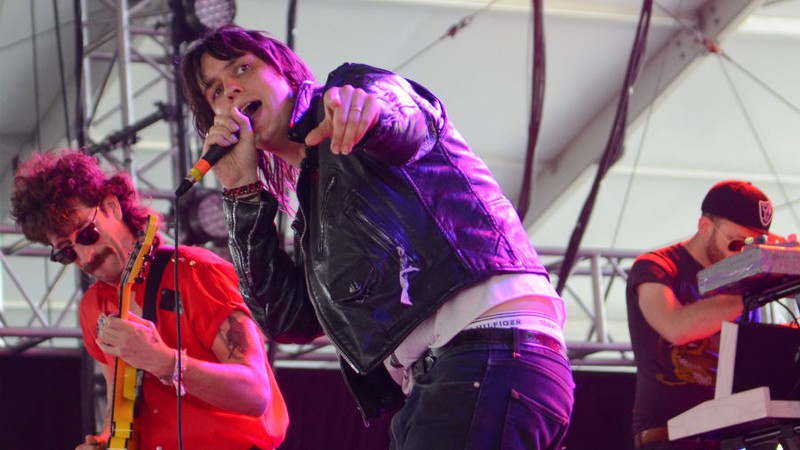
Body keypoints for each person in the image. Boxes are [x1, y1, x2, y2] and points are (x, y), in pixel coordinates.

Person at [178, 24, 574, 450]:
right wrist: (241, 191)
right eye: (215, 91)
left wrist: (367, 110)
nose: (232, 89)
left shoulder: (351, 92)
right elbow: (286, 319)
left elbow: (404, 117)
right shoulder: (314, 203)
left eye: (243, 67)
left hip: (489, 349)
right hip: (448, 375)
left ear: (286, 74)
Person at [10, 149, 289, 450]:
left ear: (111, 206)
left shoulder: (197, 273)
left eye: (88, 233)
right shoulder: (94, 306)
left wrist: (166, 362)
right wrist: (106, 441)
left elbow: (255, 393)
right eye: (66, 251)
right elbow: (121, 401)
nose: (85, 255)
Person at [626, 180, 778, 449]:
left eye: (753, 244)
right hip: (669, 438)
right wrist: (751, 292)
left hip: (731, 436)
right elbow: (675, 327)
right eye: (737, 243)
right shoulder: (657, 266)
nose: (744, 252)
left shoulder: (744, 281)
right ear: (705, 227)